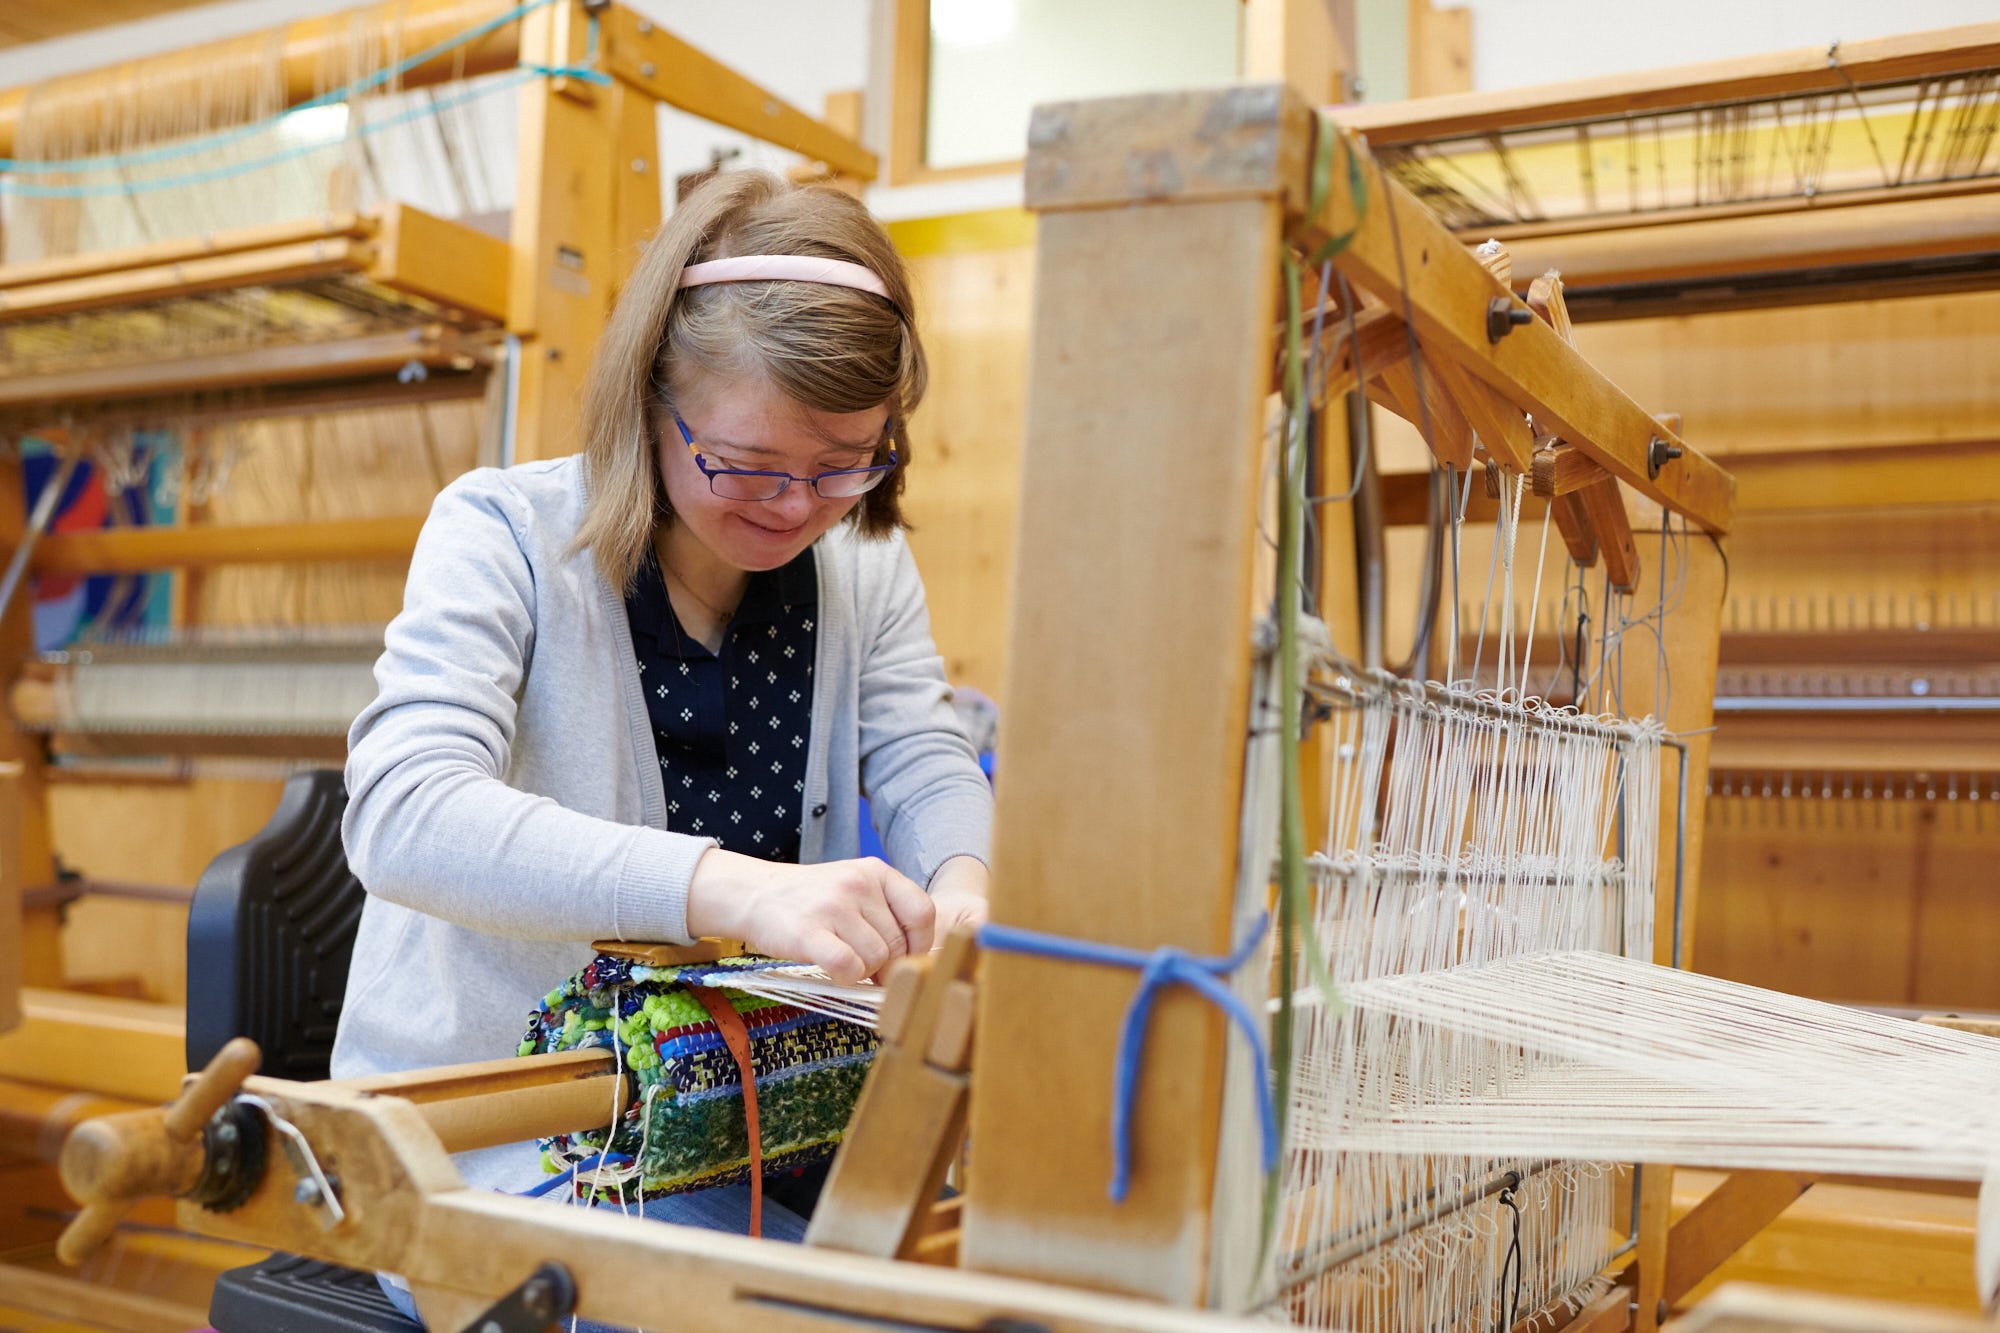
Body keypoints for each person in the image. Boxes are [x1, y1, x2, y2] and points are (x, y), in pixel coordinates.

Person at [328, 171, 993, 1313]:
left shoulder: (865, 569)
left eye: (845, 464)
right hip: (500, 1138)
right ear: (648, 399)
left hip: (762, 1116)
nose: (796, 504)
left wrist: (967, 889)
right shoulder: (501, 533)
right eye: (746, 465)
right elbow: (401, 809)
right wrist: (730, 890)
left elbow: (922, 752)